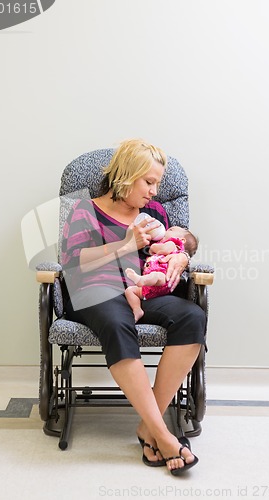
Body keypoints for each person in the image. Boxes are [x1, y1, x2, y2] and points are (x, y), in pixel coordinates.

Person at [61, 139, 205, 475]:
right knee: (117, 320)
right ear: (126, 176)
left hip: (143, 290)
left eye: (158, 183)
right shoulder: (85, 210)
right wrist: (125, 243)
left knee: (191, 317)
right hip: (94, 291)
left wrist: (182, 256)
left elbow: (173, 243)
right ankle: (164, 436)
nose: (155, 191)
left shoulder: (155, 213)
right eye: (149, 182)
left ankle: (147, 427)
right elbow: (74, 263)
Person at [125, 226, 198, 321]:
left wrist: (153, 246)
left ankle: (141, 280)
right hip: (150, 288)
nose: (166, 230)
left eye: (170, 230)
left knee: (156, 275)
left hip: (163, 278)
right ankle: (137, 310)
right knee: (130, 291)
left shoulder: (173, 244)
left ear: (182, 240)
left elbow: (164, 250)